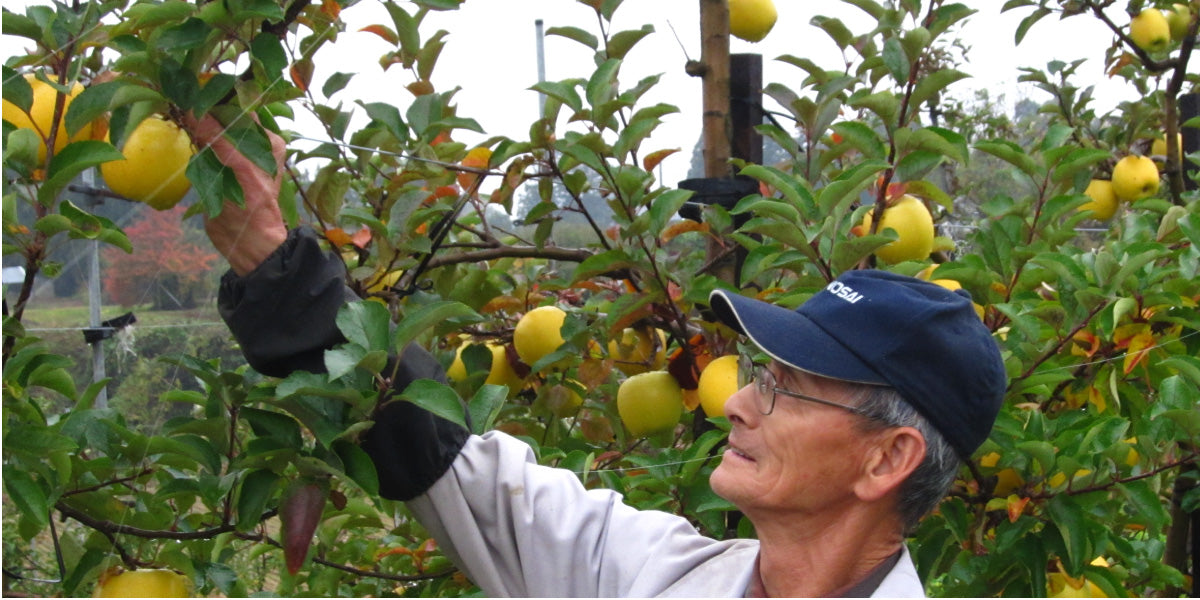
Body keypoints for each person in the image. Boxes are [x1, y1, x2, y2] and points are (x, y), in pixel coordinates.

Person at [192, 115, 1007, 597]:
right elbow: (473, 481)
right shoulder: (663, 577)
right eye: (763, 374)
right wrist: (281, 272)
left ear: (886, 460)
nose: (736, 402)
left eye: (791, 390)